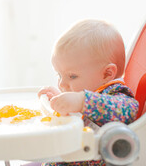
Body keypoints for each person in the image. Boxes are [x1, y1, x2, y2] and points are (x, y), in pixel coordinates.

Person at [35, 19, 139, 166]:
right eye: (59, 75)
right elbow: (79, 116)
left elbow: (129, 110)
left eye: (72, 76)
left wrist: (81, 101)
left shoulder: (116, 94)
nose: (62, 83)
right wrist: (60, 100)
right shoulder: (91, 92)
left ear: (107, 74)